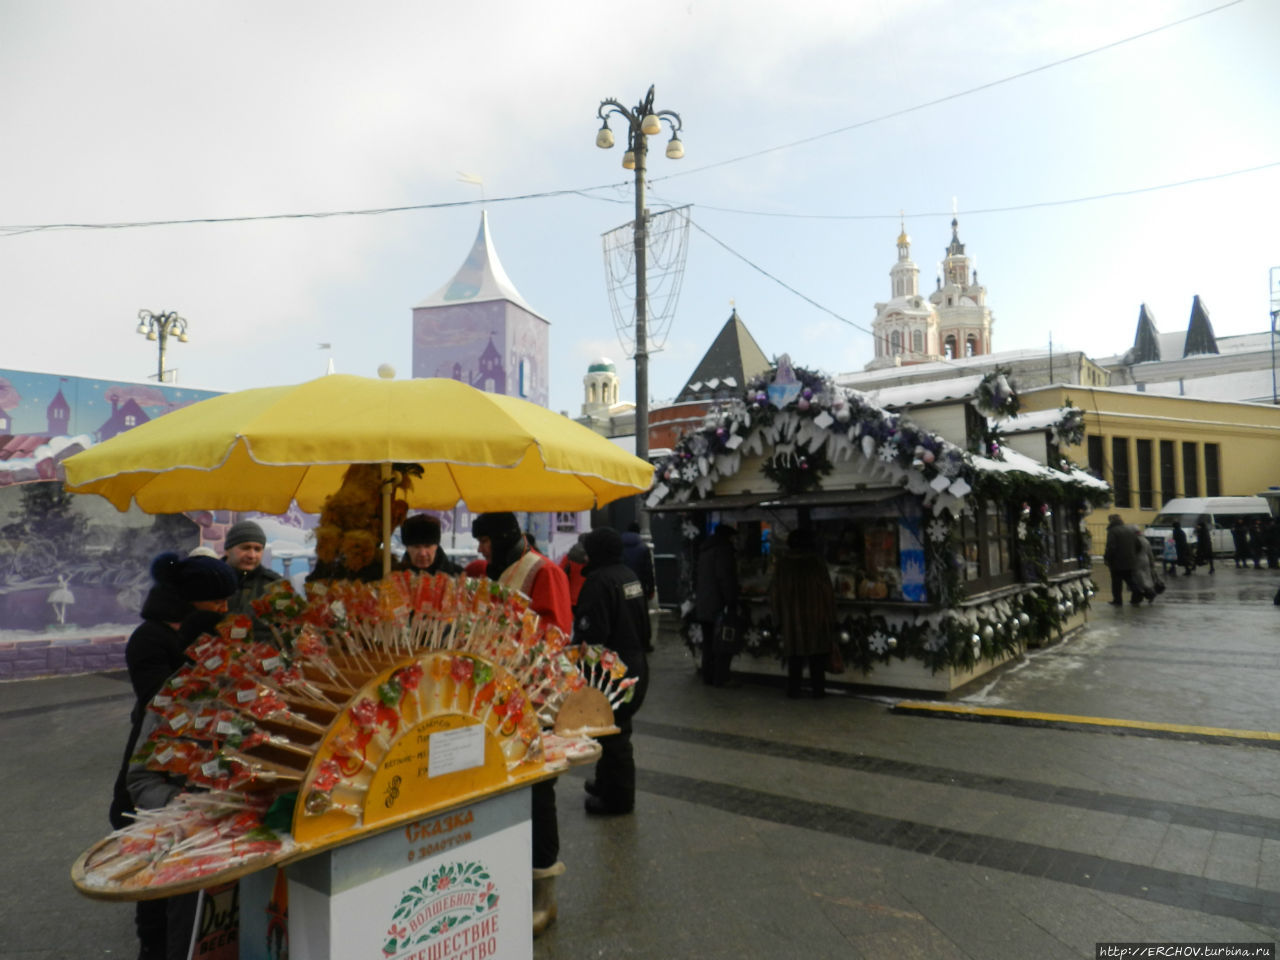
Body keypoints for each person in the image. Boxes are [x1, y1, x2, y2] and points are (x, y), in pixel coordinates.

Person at [110, 551, 237, 960]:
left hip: (206, 813)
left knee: (203, 917)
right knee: (158, 894)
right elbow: (145, 765)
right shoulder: (152, 643)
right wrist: (192, 689)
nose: (224, 608)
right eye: (217, 602)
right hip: (160, 795)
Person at [471, 512, 571, 936]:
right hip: (493, 697)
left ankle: (543, 894)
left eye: (485, 541)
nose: (480, 549)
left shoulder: (542, 571)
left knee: (537, 789)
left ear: (503, 537)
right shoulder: (487, 571)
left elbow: (556, 632)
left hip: (534, 700)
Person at [574, 526, 650, 815]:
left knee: (615, 733)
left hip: (612, 669)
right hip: (635, 661)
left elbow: (592, 633)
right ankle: (605, 783)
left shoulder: (599, 581)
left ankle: (618, 800)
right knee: (611, 728)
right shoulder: (628, 575)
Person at [771, 528, 836, 697]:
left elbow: (775, 593)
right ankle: (818, 691)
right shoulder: (816, 563)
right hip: (816, 615)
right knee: (817, 656)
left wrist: (778, 618)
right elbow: (827, 591)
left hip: (792, 618)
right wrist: (830, 615)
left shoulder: (783, 564)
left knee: (794, 657)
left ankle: (793, 690)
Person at [694, 523, 740, 686]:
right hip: (718, 606)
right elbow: (725, 579)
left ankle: (708, 676)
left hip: (705, 605)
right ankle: (721, 677)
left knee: (708, 643)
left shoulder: (705, 551)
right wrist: (731, 601)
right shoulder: (722, 552)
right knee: (722, 642)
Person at [222, 520, 282, 640]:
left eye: (257, 549)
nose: (252, 555)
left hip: (261, 656)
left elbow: (293, 624)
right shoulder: (210, 580)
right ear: (228, 550)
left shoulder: (274, 585)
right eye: (245, 548)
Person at [620, 522, 657, 652]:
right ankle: (645, 643)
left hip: (621, 585)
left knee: (624, 614)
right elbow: (648, 571)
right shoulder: (643, 548)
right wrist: (650, 589)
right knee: (642, 616)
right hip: (638, 586)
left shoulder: (619, 547)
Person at [1102, 514, 1140, 606]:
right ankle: (1137, 595)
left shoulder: (1113, 531)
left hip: (1117, 562)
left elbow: (1111, 547)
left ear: (1111, 521)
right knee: (1130, 579)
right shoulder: (1130, 530)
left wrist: (1107, 558)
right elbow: (1138, 545)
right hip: (1130, 560)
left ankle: (1117, 600)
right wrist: (1133, 554)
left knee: (1116, 582)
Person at [558, 534, 589, 612]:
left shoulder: (569, 557)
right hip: (586, 598)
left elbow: (559, 573)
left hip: (570, 598)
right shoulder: (591, 558)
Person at [1129, 525, 1160, 604]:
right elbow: (1150, 553)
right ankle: (1143, 595)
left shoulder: (1134, 540)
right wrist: (1152, 563)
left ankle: (1144, 595)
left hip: (1137, 561)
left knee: (1138, 580)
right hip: (1145, 560)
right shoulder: (1145, 540)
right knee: (1145, 578)